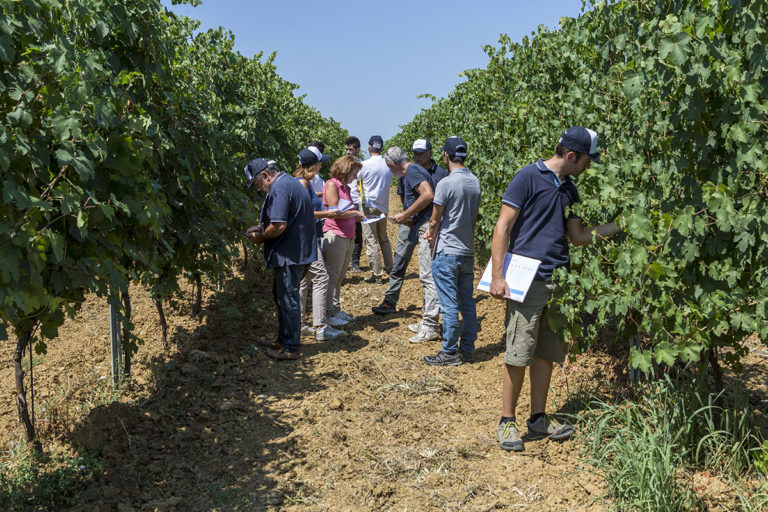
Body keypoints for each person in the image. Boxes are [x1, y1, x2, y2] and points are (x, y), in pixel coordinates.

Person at [490, 127, 619, 451]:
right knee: (518, 354)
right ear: (572, 156)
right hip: (526, 282)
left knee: (546, 354)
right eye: (588, 160)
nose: (590, 166)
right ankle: (507, 422)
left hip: (559, 281)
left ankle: (538, 419)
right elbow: (502, 225)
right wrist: (497, 276)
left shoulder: (570, 190)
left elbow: (578, 236)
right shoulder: (527, 178)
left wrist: (620, 225)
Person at [245, 158, 317, 360]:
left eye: (258, 185)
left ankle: (291, 348)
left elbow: (279, 226)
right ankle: (283, 338)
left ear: (266, 176)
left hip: (290, 256)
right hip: (294, 253)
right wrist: (260, 227)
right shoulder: (289, 182)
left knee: (288, 300)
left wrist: (261, 237)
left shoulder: (280, 188)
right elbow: (287, 218)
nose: (259, 190)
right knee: (282, 297)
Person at [372, 145, 440, 344]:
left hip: (425, 227)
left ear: (393, 164)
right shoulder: (413, 171)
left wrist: (406, 213)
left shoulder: (411, 171)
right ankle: (426, 320)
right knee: (425, 274)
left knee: (428, 277)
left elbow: (428, 195)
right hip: (419, 224)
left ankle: (430, 326)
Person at [423, 136, 481, 366]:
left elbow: (435, 220)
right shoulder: (474, 181)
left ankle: (449, 352)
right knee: (467, 302)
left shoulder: (446, 183)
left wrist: (430, 235)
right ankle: (468, 348)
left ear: (446, 156)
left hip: (447, 250)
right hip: (467, 250)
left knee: (448, 304)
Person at [293, 146, 346, 341]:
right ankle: (321, 326)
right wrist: (328, 213)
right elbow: (302, 213)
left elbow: (309, 202)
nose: (321, 164)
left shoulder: (304, 183)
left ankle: (299, 325)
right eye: (319, 162)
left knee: (305, 279)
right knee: (322, 277)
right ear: (313, 165)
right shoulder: (302, 184)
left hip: (309, 237)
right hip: (307, 239)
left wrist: (324, 196)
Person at [322, 155, 365, 326]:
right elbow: (335, 212)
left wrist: (357, 218)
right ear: (345, 170)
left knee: (339, 277)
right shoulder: (332, 185)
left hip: (347, 236)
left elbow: (346, 211)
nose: (355, 177)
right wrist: (355, 214)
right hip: (335, 235)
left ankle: (336, 309)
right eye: (354, 173)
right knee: (332, 276)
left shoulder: (345, 187)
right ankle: (328, 313)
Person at [358, 135, 393, 285]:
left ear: (369, 148)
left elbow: (355, 181)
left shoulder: (364, 165)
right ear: (382, 148)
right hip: (383, 207)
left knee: (371, 240)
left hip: (368, 207)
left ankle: (377, 275)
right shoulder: (389, 165)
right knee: (383, 238)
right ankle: (391, 270)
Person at [344, 136, 365, 273]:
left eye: (350, 149)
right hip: (344, 201)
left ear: (357, 149)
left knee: (357, 232)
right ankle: (344, 260)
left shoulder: (363, 165)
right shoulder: (343, 164)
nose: (348, 152)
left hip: (357, 202)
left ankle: (355, 262)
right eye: (346, 149)